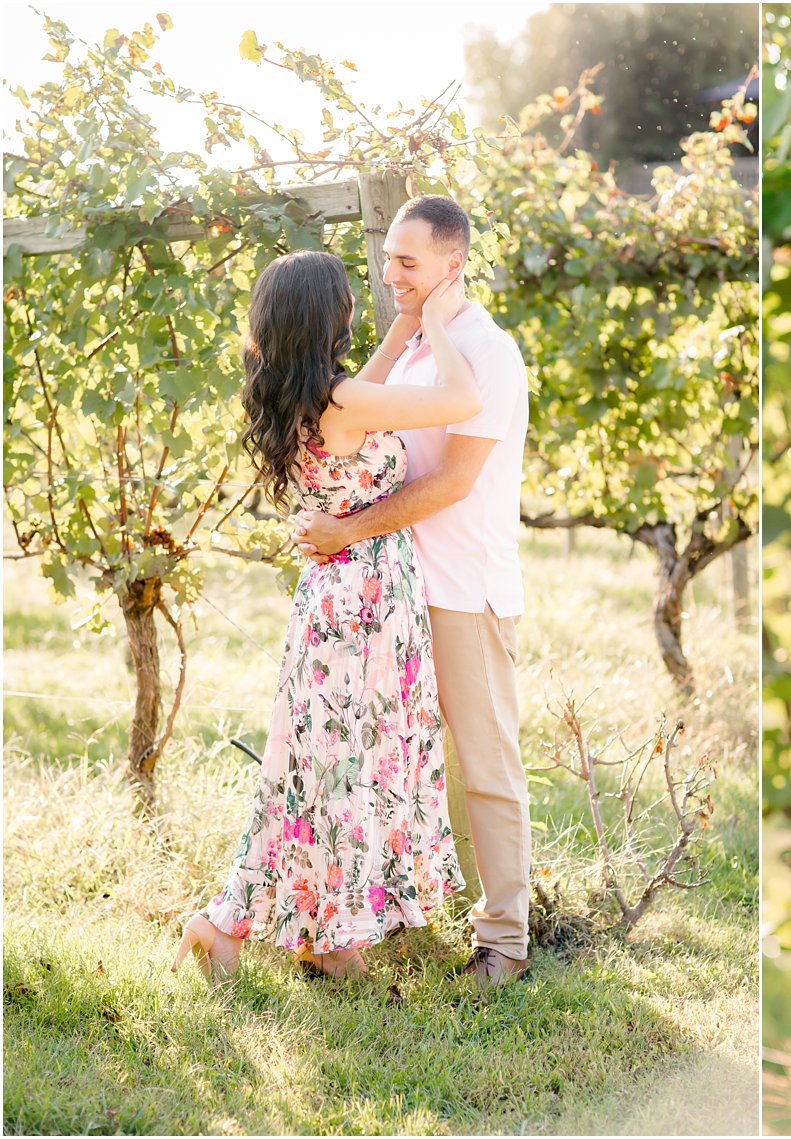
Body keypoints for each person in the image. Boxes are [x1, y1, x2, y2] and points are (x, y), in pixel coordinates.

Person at [173, 247, 476, 982]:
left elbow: (361, 397)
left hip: (335, 598)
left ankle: (307, 930)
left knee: (322, 769)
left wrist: (401, 330)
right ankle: (264, 925)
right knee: (346, 768)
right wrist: (436, 321)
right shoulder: (343, 403)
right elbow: (463, 400)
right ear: (328, 317)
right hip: (364, 604)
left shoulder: (302, 392)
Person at [291, 195, 534, 990]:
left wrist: (348, 531)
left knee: (484, 763)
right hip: (390, 594)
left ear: (452, 265)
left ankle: (504, 940)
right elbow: (349, 425)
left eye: (407, 262)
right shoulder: (421, 349)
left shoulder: (486, 355)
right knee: (403, 759)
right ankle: (410, 908)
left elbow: (457, 481)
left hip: (461, 584)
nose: (389, 272)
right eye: (388, 257)